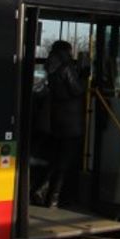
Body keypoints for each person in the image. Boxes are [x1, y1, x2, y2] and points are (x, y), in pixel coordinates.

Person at [37, 40, 86, 209]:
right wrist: (83, 76)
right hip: (71, 121)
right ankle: (53, 197)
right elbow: (77, 90)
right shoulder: (66, 68)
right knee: (65, 162)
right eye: (70, 51)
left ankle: (41, 191)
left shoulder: (52, 66)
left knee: (58, 158)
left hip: (57, 120)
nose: (71, 54)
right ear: (65, 52)